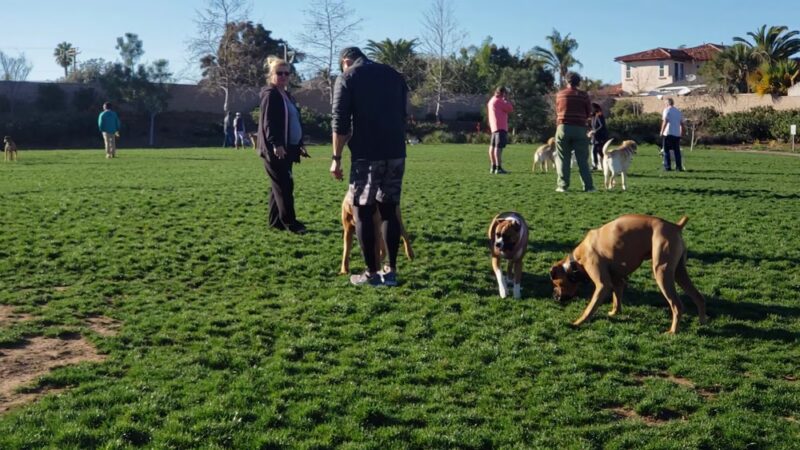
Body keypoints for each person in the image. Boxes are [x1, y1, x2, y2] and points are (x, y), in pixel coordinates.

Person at [330, 47, 408, 287]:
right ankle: (390, 271)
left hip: (366, 155)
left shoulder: (347, 77)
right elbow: (404, 113)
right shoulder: (394, 75)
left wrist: (337, 157)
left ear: (346, 61)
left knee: (362, 210)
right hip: (396, 152)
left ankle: (371, 273)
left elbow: (339, 120)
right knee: (389, 209)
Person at [257, 57, 309, 234]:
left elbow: (295, 121)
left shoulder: (286, 95)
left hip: (290, 147)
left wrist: (300, 144)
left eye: (287, 73)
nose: (283, 76)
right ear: (271, 75)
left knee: (277, 186)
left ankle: (275, 221)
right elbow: (268, 122)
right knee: (285, 185)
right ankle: (290, 223)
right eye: (279, 73)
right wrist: (276, 143)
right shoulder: (271, 94)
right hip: (277, 149)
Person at [554, 72, 595, 192]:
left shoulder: (560, 94)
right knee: (582, 159)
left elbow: (557, 110)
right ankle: (588, 186)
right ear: (579, 82)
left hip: (563, 128)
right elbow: (589, 112)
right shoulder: (583, 95)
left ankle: (563, 185)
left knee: (563, 158)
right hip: (580, 128)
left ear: (567, 81)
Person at [487, 86, 514, 174]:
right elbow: (510, 108)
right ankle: (498, 168)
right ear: (503, 93)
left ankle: (493, 166)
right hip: (500, 127)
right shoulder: (499, 101)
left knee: (492, 147)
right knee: (498, 148)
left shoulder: (491, 101)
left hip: (494, 127)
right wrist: (506, 100)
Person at [660, 97, 685, 171]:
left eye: (665, 103)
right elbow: (682, 124)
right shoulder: (678, 111)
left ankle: (667, 167)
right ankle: (678, 167)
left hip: (668, 133)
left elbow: (665, 121)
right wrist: (681, 133)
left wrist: (662, 131)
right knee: (677, 151)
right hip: (676, 134)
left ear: (667, 103)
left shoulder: (667, 110)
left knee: (666, 151)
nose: (665, 105)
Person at [589, 103, 608, 170]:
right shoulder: (593, 116)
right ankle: (600, 164)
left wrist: (594, 131)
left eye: (591, 108)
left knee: (597, 151)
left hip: (600, 137)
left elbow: (602, 126)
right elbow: (593, 126)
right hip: (595, 137)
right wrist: (590, 131)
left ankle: (596, 165)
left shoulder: (599, 115)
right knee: (597, 151)